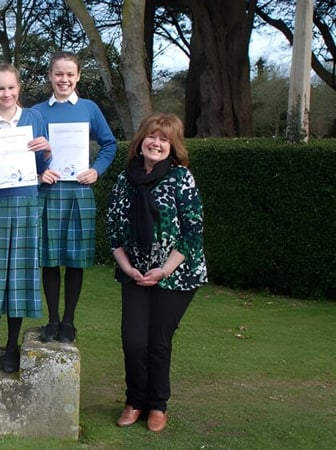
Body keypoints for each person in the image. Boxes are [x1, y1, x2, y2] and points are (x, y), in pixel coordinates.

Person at [106, 113, 208, 432]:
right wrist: (129, 269)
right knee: (134, 340)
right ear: (141, 141)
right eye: (152, 136)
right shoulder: (126, 180)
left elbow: (193, 231)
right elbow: (113, 230)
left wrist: (163, 270)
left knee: (158, 342)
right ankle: (135, 401)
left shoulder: (181, 178)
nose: (157, 143)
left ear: (173, 146)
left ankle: (157, 405)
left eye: (165, 139)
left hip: (176, 274)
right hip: (135, 272)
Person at [0, 62, 51, 373]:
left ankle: (12, 345)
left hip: (26, 204)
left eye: (11, 88)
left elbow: (43, 169)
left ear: (19, 89)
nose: (6, 93)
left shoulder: (34, 118)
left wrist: (46, 150)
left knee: (18, 277)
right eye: (0, 88)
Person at [33, 51, 118, 343]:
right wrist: (40, 172)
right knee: (50, 259)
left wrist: (96, 170)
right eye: (59, 74)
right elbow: (23, 152)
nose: (64, 79)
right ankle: (53, 320)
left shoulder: (89, 109)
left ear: (78, 76)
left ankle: (69, 321)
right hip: (49, 192)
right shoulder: (36, 113)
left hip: (79, 192)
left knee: (75, 260)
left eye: (70, 74)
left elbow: (109, 144)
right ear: (50, 76)